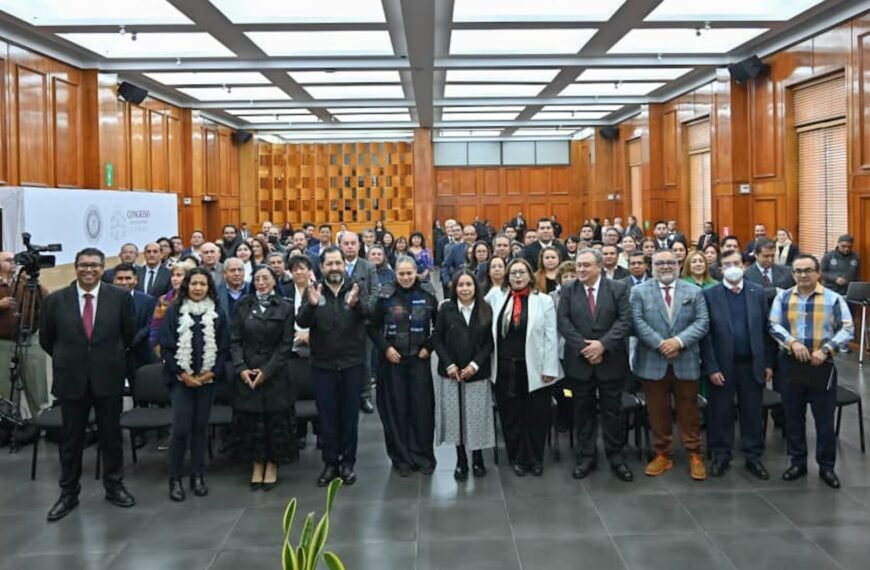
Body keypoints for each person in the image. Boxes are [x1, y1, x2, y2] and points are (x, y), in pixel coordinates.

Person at [39, 248, 135, 522]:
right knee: (71, 440)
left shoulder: (119, 298)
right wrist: (72, 358)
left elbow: (128, 335)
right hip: (72, 380)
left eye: (94, 265)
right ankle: (68, 493)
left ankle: (114, 486)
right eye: (83, 265)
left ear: (103, 269)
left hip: (108, 378)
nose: (88, 269)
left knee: (111, 437)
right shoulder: (56, 300)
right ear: (76, 267)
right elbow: (48, 340)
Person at [770, 254, 854, 488]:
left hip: (821, 364)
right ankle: (797, 462)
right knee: (793, 417)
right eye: (798, 271)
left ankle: (827, 467)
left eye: (808, 270)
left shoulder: (833, 299)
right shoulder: (783, 297)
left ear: (818, 273)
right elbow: (773, 325)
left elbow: (847, 329)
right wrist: (792, 343)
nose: (803, 275)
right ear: (793, 274)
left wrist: (826, 349)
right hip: (791, 363)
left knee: (824, 420)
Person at [630, 248, 709, 480]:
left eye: (670, 262)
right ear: (651, 266)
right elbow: (637, 322)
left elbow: (702, 322)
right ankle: (663, 453)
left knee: (689, 411)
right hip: (652, 360)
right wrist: (661, 344)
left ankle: (694, 454)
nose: (665, 266)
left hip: (686, 359)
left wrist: (678, 342)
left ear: (678, 265)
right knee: (657, 411)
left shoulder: (693, 291)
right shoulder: (638, 291)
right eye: (659, 263)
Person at [558, 248, 633, 482]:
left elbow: (625, 321)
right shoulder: (568, 290)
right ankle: (586, 457)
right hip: (579, 362)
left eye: (586, 265)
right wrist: (585, 348)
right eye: (578, 265)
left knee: (613, 412)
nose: (580, 269)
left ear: (599, 267)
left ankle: (616, 457)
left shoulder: (618, 288)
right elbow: (563, 321)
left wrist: (602, 345)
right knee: (582, 411)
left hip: (610, 360)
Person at [297, 247, 368, 487]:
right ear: (322, 267)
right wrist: (311, 305)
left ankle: (347, 463)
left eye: (338, 263)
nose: (334, 267)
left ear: (344, 265)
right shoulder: (314, 290)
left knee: (349, 417)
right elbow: (301, 321)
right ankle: (330, 464)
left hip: (351, 365)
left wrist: (357, 305)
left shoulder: (356, 287)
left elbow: (371, 314)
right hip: (323, 366)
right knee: (327, 418)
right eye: (329, 264)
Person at [700, 249, 774, 479]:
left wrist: (768, 363)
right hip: (722, 366)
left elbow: (766, 331)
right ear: (720, 269)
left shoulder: (757, 292)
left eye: (736, 263)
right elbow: (706, 336)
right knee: (720, 412)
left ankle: (753, 456)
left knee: (752, 412)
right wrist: (711, 367)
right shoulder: (709, 294)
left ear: (743, 266)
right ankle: (721, 455)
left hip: (752, 364)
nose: (732, 268)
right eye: (727, 264)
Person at [158, 268, 230, 501]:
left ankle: (197, 475)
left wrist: (211, 373)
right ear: (186, 286)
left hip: (208, 380)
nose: (198, 288)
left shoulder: (217, 312)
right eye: (194, 283)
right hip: (181, 381)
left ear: (209, 287)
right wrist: (182, 374)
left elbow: (224, 347)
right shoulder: (174, 311)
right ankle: (175, 478)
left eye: (203, 284)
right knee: (181, 429)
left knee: (200, 428)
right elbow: (166, 347)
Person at [492, 258, 562, 477]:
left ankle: (535, 458)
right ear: (507, 277)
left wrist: (550, 368)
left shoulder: (544, 300)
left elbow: (551, 336)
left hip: (536, 368)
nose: (517, 276)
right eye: (513, 273)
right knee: (511, 416)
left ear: (530, 276)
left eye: (522, 272)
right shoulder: (496, 297)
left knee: (536, 416)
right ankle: (517, 457)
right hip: (505, 368)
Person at [368, 256, 438, 476]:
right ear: (395, 273)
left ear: (416, 272)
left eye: (409, 273)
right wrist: (386, 348)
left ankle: (422, 456)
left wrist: (429, 346)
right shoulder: (384, 295)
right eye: (402, 274)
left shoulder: (428, 293)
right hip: (393, 361)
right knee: (396, 410)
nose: (406, 277)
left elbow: (440, 325)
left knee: (421, 410)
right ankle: (401, 459)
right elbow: (372, 326)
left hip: (419, 360)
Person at [230, 265, 296, 490]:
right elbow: (235, 340)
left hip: (275, 373)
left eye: (265, 278)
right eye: (257, 279)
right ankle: (257, 464)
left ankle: (272, 464)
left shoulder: (285, 306)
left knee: (275, 421)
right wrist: (241, 367)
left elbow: (286, 345)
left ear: (274, 281)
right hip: (248, 372)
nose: (261, 283)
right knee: (253, 423)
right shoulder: (243, 305)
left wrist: (267, 371)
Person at [433, 270, 495, 480]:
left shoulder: (485, 309)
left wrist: (475, 365)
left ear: (475, 287)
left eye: (469, 284)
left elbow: (489, 343)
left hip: (477, 372)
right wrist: (449, 364)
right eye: (460, 285)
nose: (465, 289)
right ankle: (461, 460)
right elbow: (437, 339)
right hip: (451, 374)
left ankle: (477, 458)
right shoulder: (446, 309)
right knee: (455, 418)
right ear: (454, 288)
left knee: (476, 417)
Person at [0, 251, 49, 412]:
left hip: (29, 340)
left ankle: (40, 421)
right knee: (6, 390)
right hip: (3, 343)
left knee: (37, 388)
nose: (13, 263)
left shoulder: (25, 283)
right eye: (8, 260)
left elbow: (46, 302)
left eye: (14, 260)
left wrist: (35, 282)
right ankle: (9, 421)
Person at [339, 231, 380, 414]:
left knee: (365, 361)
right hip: (338, 323)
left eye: (353, 243)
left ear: (359, 245)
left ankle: (365, 396)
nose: (349, 246)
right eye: (346, 243)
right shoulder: (334, 264)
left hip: (363, 321)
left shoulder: (368, 266)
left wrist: (366, 309)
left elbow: (374, 293)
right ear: (340, 245)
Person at [112, 264, 157, 376]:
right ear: (113, 280)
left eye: (128, 278)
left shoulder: (148, 300)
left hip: (139, 355)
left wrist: (131, 342)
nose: (124, 282)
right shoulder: (105, 300)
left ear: (135, 280)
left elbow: (150, 325)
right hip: (112, 355)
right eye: (120, 278)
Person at [150, 259, 197, 356]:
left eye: (179, 275)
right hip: (168, 348)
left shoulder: (196, 298)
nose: (174, 279)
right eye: (173, 275)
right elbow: (156, 325)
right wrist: (157, 348)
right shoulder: (164, 300)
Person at [744, 238, 795, 303]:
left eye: (772, 256)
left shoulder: (787, 271)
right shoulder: (747, 274)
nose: (770, 260)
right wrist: (774, 291)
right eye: (766, 256)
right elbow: (750, 294)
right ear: (756, 255)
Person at [442, 225, 478, 289]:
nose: (469, 237)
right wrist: (447, 282)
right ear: (463, 235)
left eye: (472, 234)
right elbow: (445, 266)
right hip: (460, 285)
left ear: (476, 235)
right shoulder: (455, 249)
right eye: (467, 234)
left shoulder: (481, 248)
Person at [216, 258, 251, 323]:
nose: (237, 274)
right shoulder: (217, 291)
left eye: (240, 270)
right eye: (232, 270)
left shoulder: (252, 289)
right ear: (225, 274)